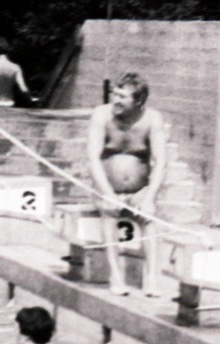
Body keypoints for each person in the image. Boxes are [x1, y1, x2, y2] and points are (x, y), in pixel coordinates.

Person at [85, 73, 168, 297]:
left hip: (139, 190)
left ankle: (151, 279)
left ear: (138, 101)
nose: (115, 100)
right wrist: (108, 193)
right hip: (106, 187)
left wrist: (149, 197)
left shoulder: (152, 119)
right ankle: (116, 275)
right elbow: (93, 157)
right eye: (115, 94)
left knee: (149, 218)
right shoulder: (101, 115)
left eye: (122, 97)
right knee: (109, 213)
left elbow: (161, 162)